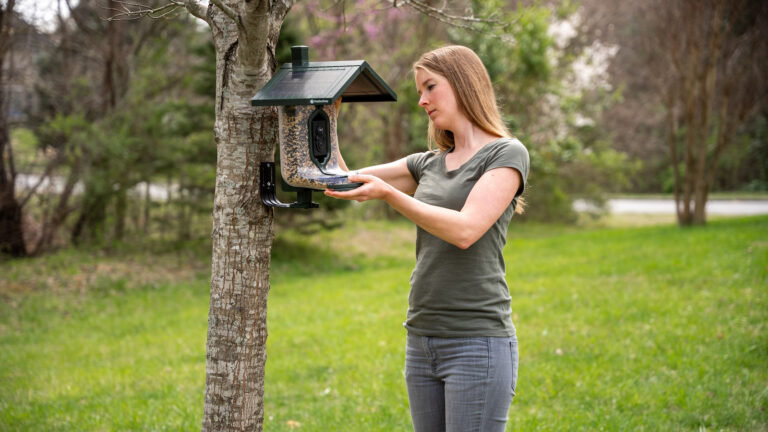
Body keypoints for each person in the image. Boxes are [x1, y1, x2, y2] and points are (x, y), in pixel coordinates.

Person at [325, 45, 529, 432]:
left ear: (463, 83)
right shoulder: (428, 163)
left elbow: (466, 230)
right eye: (420, 90)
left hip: (477, 341)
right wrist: (325, 118)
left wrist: (390, 195)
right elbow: (342, 180)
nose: (422, 100)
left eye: (430, 87)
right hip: (421, 340)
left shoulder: (506, 154)